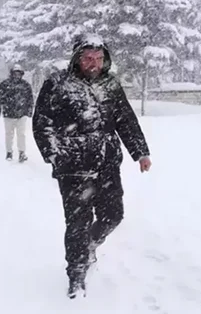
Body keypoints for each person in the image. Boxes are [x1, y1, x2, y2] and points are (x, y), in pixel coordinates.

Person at [32, 34, 151, 299]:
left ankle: (90, 245)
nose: (94, 63)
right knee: (78, 224)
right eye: (88, 58)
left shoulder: (110, 84)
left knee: (113, 215)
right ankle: (76, 275)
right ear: (77, 58)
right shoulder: (58, 84)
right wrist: (55, 155)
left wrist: (140, 152)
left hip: (107, 164)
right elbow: (42, 123)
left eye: (98, 58)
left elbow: (126, 120)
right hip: (74, 168)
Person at [0, 64, 34, 162]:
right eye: (15, 73)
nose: (17, 75)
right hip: (9, 114)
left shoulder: (25, 85)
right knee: (9, 134)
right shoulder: (5, 84)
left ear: (21, 74)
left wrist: (29, 111)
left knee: (21, 134)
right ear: (12, 73)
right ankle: (9, 152)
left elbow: (30, 99)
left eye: (19, 73)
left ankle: (22, 152)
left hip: (21, 114)